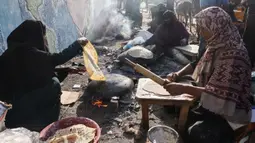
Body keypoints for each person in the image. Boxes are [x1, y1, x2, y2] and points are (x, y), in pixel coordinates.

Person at [165, 7, 252, 143]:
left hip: (230, 112)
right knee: (176, 98)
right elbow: (196, 63)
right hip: (212, 94)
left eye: (203, 28)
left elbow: (220, 93)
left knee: (197, 133)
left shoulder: (235, 55)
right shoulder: (216, 43)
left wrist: (182, 88)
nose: (199, 32)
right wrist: (177, 74)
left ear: (216, 28)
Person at [0, 20, 88, 131]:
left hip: (15, 106)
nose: (44, 39)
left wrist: (66, 70)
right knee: (53, 84)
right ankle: (46, 126)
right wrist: (78, 44)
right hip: (24, 104)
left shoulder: (12, 53)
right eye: (42, 36)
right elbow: (57, 59)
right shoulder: (27, 52)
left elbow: (35, 71)